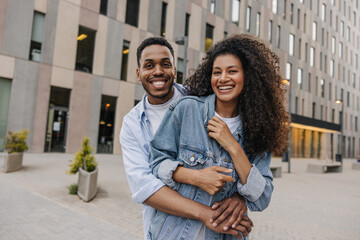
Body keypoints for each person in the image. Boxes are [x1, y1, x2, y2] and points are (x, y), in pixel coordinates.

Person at [148, 34, 289, 239]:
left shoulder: (260, 129)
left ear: (247, 76)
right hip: (174, 232)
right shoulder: (186, 110)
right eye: (217, 72)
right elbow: (156, 164)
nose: (223, 78)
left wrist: (233, 146)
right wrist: (196, 177)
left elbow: (262, 197)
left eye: (232, 71)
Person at [120, 37, 253, 239]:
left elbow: (237, 159)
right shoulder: (132, 125)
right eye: (149, 66)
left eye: (166, 64)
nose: (158, 71)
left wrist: (240, 197)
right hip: (168, 230)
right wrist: (205, 210)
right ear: (138, 74)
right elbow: (145, 187)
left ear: (175, 69)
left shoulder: (201, 100)